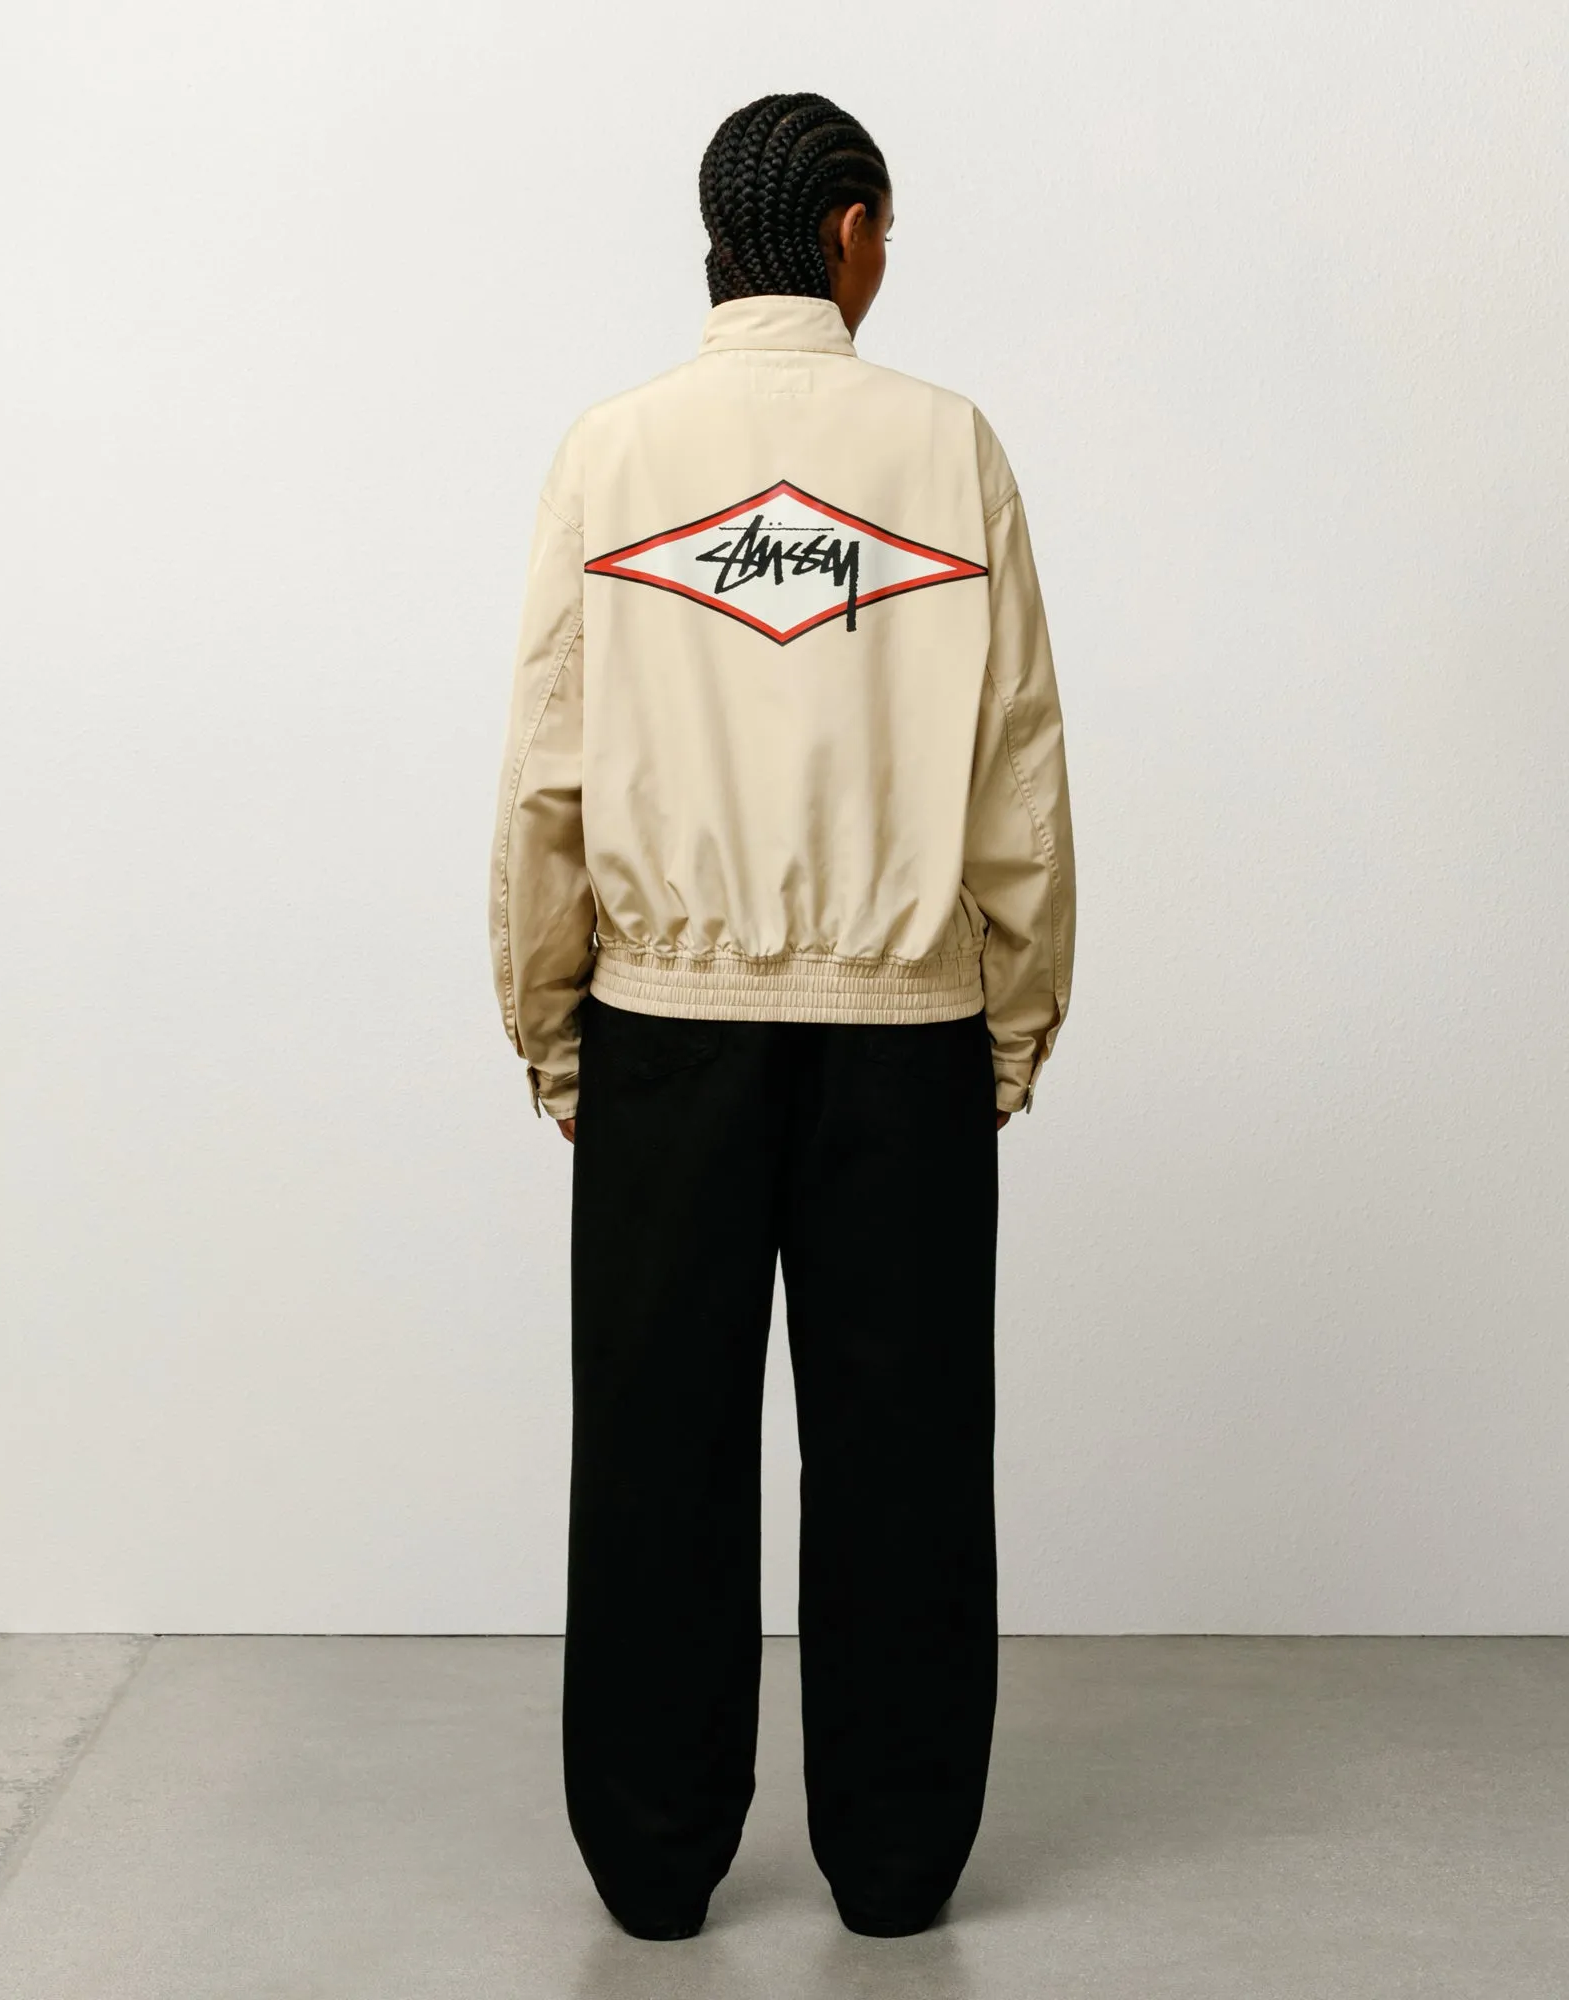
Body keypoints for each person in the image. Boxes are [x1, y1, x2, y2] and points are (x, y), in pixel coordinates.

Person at [488, 91, 1076, 1943]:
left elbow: (549, 769)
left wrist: (554, 1026)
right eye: (885, 232)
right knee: (906, 1456)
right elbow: (1018, 768)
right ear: (846, 229)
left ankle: (653, 1864)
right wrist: (1010, 1021)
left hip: (665, 1030)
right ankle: (896, 1867)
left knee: (653, 1450)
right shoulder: (947, 446)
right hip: (905, 1034)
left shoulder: (614, 451)